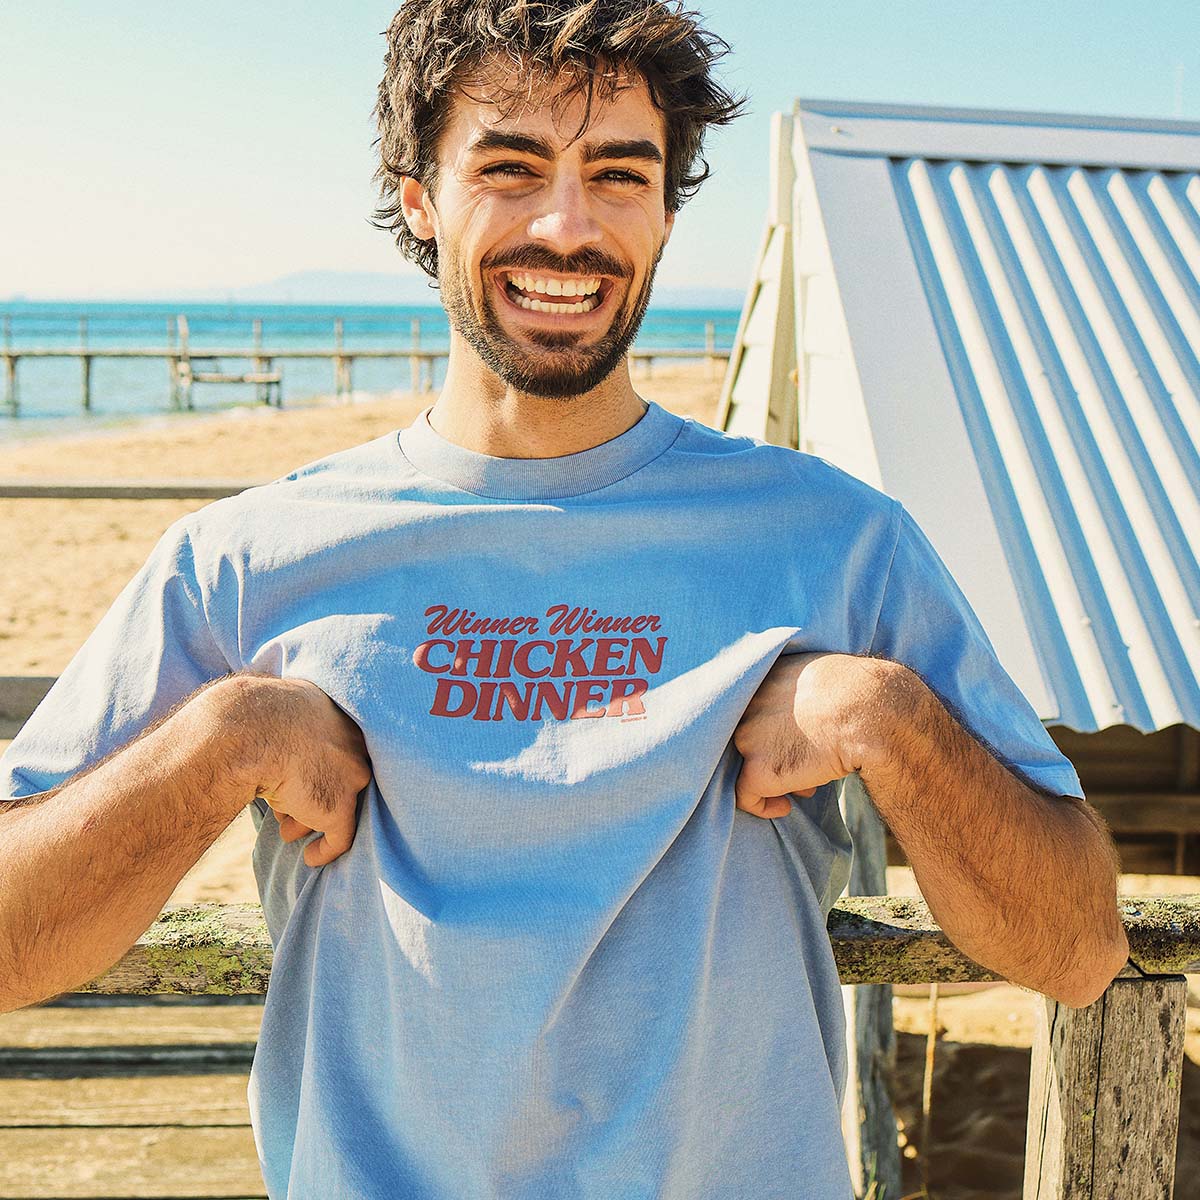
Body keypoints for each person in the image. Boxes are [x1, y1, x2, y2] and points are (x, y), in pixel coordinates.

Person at [0, 1, 1129, 1196]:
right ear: (420, 198)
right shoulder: (243, 557)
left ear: (667, 212)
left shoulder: (838, 542)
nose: (567, 226)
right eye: (511, 167)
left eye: (618, 174)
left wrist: (886, 720)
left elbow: (1075, 947)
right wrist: (232, 740)